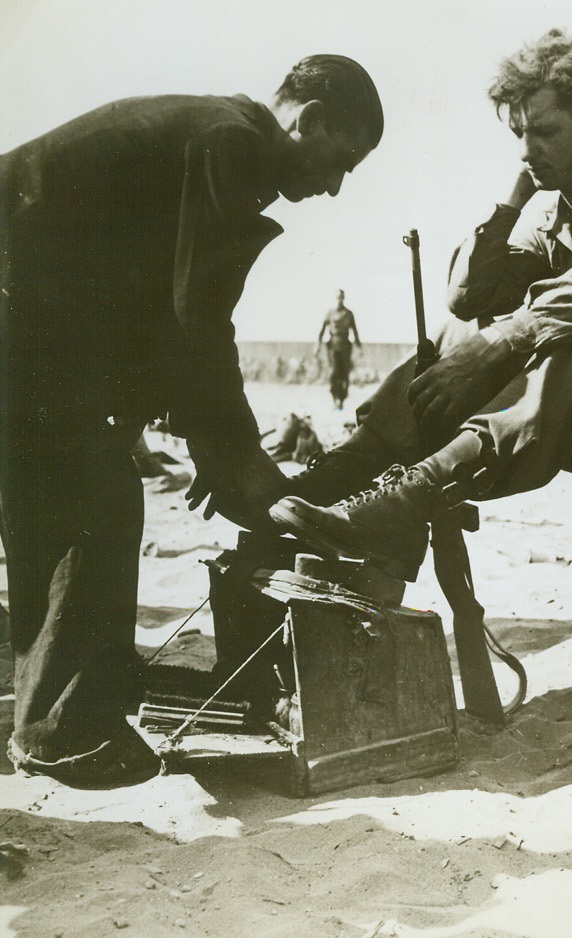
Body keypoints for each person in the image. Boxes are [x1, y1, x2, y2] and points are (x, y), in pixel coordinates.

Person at [0, 55, 384, 788]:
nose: (334, 187)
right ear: (309, 120)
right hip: (17, 304)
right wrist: (237, 455)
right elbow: (198, 318)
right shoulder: (231, 142)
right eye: (343, 161)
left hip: (29, 313)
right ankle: (70, 736)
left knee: (66, 499)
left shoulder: (212, 130)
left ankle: (53, 720)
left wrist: (214, 450)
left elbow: (152, 310)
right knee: (97, 503)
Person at [270, 29, 572, 580]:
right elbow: (466, 298)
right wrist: (511, 202)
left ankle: (415, 494)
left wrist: (497, 343)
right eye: (519, 134)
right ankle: (347, 471)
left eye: (544, 131)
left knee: (566, 351)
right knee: (456, 341)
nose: (527, 151)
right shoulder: (553, 216)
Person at [317, 288, 362, 409]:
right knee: (334, 373)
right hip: (333, 346)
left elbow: (355, 331)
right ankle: (334, 398)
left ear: (344, 298)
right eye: (337, 297)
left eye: (341, 297)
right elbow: (322, 330)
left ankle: (341, 399)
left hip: (345, 346)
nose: (339, 300)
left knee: (345, 374)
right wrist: (317, 345)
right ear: (335, 298)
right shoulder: (330, 313)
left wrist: (359, 346)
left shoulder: (348, 313)